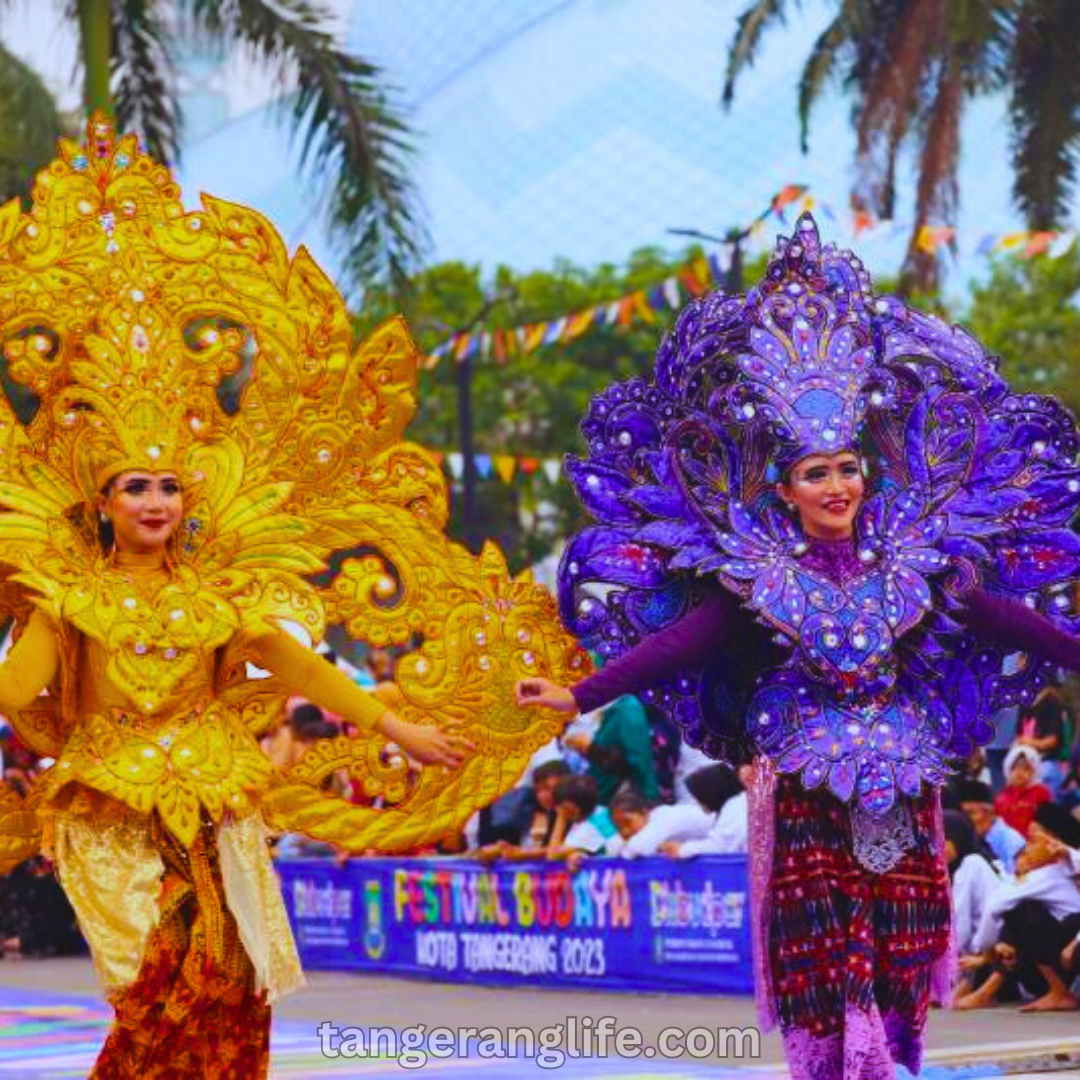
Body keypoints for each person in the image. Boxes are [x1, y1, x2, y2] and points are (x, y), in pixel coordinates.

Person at [0, 116, 579, 1079]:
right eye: (134, 487)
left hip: (219, 810)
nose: (154, 500)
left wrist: (402, 731)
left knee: (229, 992)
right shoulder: (71, 593)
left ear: (190, 498)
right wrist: (37, 612)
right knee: (152, 992)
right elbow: (21, 697)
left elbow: (299, 664)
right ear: (101, 502)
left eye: (168, 484)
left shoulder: (224, 590)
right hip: (111, 815)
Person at [517, 214, 1080, 1079]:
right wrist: (581, 696)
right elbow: (681, 641)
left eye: (848, 468)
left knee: (898, 955)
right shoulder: (755, 577)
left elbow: (1009, 620)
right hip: (809, 787)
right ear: (786, 489)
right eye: (816, 473)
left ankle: (887, 1061)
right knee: (832, 968)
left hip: (906, 780)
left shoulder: (917, 560)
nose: (838, 485)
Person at [965, 802, 1080, 1011]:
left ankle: (1058, 991)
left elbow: (995, 905)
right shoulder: (1058, 869)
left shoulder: (1052, 873)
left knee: (1021, 911)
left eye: (1034, 840)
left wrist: (983, 953)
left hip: (1071, 953)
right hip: (1062, 954)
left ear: (1054, 845)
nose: (1026, 848)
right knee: (1017, 914)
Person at [605, 788, 713, 858]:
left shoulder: (663, 816)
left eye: (627, 822)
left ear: (644, 812)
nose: (625, 831)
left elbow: (637, 848)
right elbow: (612, 847)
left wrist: (658, 846)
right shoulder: (651, 825)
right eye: (618, 827)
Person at [958, 779, 1026, 875]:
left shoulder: (1011, 840)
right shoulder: (969, 838)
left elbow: (1018, 879)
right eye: (962, 814)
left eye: (971, 813)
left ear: (990, 813)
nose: (965, 819)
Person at [995, 745, 1054, 839]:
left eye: (1026, 768)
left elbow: (1048, 821)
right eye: (1015, 768)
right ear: (1008, 770)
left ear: (1034, 771)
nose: (1020, 772)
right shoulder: (1002, 795)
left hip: (1033, 843)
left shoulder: (1041, 792)